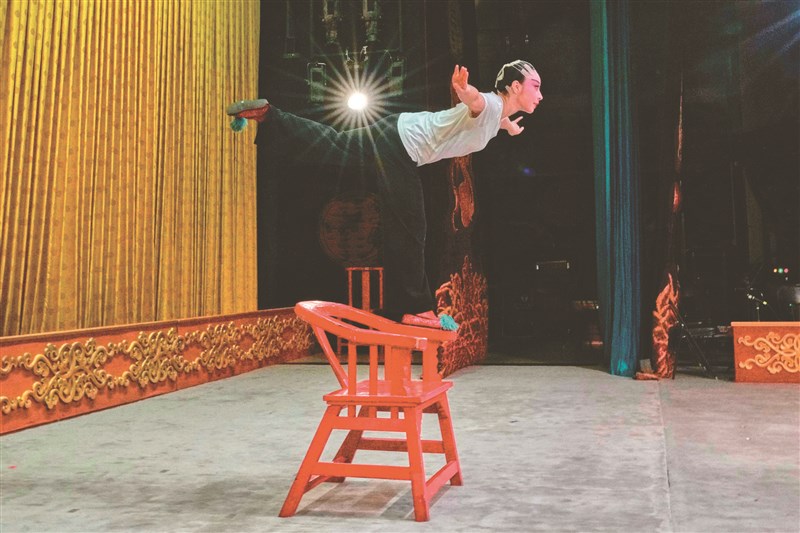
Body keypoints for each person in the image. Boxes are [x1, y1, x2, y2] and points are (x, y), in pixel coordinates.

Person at [227, 60, 543, 329]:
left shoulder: (497, 113)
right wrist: (463, 90)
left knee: (334, 143)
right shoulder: (489, 105)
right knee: (411, 225)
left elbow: (490, 117)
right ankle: (416, 308)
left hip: (395, 130)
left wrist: (508, 127)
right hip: (402, 147)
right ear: (515, 87)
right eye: (535, 86)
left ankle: (270, 115)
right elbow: (477, 102)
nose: (540, 95)